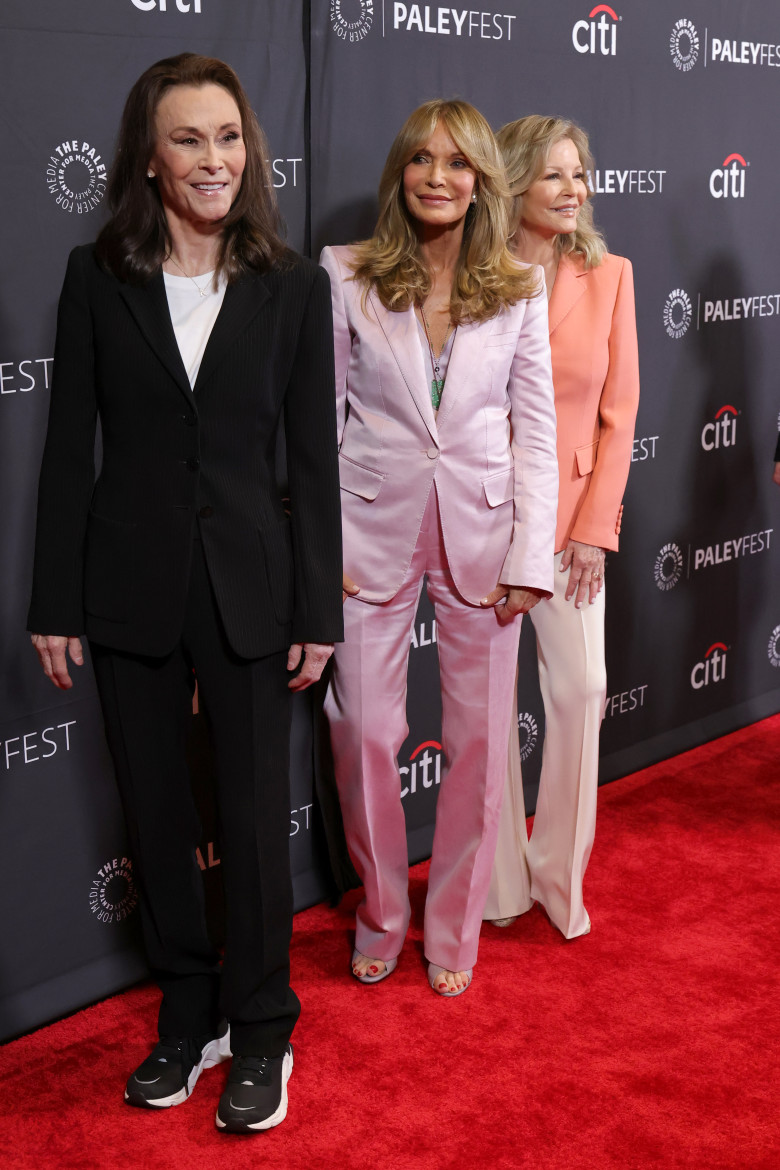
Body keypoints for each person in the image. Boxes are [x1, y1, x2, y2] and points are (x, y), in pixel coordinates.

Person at [27, 53, 342, 1133]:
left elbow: (313, 461)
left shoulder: (293, 285)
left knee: (252, 821)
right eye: (188, 139)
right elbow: (68, 452)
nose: (214, 159)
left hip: (252, 586)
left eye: (229, 137)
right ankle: (188, 1013)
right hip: (128, 582)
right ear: (150, 159)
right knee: (158, 814)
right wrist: (53, 600)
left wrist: (319, 610)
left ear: (250, 150)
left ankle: (261, 1027)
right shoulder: (96, 276)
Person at [321, 100, 558, 997]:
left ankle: (453, 927)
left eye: (458, 162)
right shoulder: (345, 273)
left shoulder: (520, 286)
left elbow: (536, 432)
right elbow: (317, 423)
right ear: (400, 173)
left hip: (485, 538)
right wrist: (322, 546)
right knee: (362, 732)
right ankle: (382, 913)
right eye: (421, 158)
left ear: (482, 181)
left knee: (480, 743)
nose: (437, 176)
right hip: (365, 534)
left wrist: (530, 558)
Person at [483, 115, 640, 939]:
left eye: (580, 174)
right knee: (487, 710)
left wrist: (594, 528)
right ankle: (500, 881)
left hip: (572, 523)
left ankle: (556, 876)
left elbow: (622, 412)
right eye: (554, 175)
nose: (574, 189)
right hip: (486, 519)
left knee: (582, 692)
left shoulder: (610, 276)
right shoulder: (477, 276)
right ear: (513, 184)